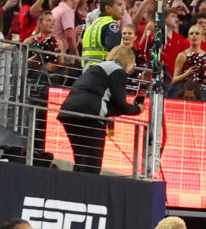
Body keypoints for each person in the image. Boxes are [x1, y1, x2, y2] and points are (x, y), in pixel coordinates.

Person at [59, 42, 143, 172]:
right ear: (128, 61)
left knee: (81, 159)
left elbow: (108, 104)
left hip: (68, 112)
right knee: (92, 162)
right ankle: (89, 191)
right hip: (90, 116)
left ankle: (76, 189)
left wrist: (122, 110)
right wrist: (137, 109)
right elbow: (120, 103)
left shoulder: (98, 67)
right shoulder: (116, 70)